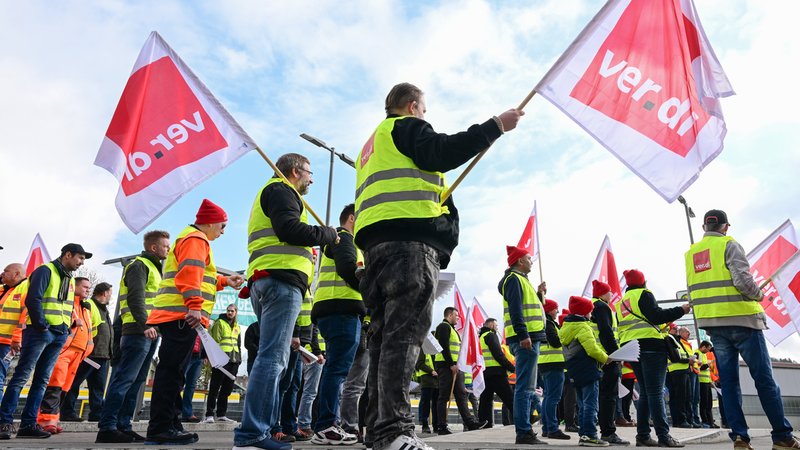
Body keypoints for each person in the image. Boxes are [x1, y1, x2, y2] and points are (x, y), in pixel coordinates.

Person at [356, 82, 523, 450]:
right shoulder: (406, 126)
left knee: (383, 341)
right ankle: (395, 431)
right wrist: (496, 125)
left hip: (376, 247)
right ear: (412, 106)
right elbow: (442, 151)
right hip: (409, 244)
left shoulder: (371, 146)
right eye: (424, 109)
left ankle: (378, 432)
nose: (425, 115)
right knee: (403, 337)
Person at [234, 153, 338, 450]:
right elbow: (289, 230)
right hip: (280, 281)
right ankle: (253, 434)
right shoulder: (281, 190)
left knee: (271, 358)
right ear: (295, 171)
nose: (312, 180)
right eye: (310, 173)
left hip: (268, 279)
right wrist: (326, 234)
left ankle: (260, 431)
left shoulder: (273, 192)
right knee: (272, 359)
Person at [685, 209, 800, 450]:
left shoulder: (691, 253)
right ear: (725, 226)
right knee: (765, 381)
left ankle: (739, 437)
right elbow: (743, 281)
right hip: (743, 321)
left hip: (714, 325)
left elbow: (693, 289)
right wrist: (759, 294)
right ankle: (782, 436)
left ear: (704, 227)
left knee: (728, 384)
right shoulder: (729, 244)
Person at [146, 199, 244, 445]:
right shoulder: (196, 239)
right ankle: (161, 428)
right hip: (183, 316)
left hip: (179, 316)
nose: (223, 232)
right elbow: (190, 275)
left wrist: (224, 281)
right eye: (222, 226)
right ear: (209, 223)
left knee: (173, 373)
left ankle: (170, 424)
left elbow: (201, 277)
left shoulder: (191, 238)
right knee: (172, 374)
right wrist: (194, 307)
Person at [0, 243, 89, 439]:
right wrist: (41, 325)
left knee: (41, 381)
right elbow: (33, 299)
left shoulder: (69, 278)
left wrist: (66, 328)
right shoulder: (45, 270)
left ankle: (28, 425)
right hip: (40, 332)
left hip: (58, 334)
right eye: (80, 258)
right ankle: (4, 422)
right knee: (21, 377)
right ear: (68, 255)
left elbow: (65, 306)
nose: (82, 262)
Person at [96, 230, 169, 444]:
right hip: (138, 331)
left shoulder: (154, 268)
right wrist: (146, 324)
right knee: (124, 379)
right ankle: (107, 427)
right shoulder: (139, 265)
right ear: (153, 247)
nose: (168, 249)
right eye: (165, 245)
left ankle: (123, 426)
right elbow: (136, 298)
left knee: (136, 381)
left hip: (150, 332)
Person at [311, 203, 366, 445]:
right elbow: (347, 269)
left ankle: (325, 424)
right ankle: (326, 426)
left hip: (335, 309)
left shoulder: (342, 239)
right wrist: (370, 289)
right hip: (341, 309)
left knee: (335, 369)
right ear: (352, 218)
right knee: (337, 370)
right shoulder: (344, 238)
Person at [615, 269, 687, 448]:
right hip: (651, 347)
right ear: (643, 282)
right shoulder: (644, 294)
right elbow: (657, 316)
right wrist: (681, 310)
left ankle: (643, 436)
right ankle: (663, 436)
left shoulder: (621, 302)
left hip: (632, 349)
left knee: (647, 393)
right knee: (655, 392)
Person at [38, 276, 100, 433]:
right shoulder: (67, 304)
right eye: (85, 287)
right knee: (55, 384)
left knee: (64, 387)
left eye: (89, 287)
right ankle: (45, 421)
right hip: (64, 351)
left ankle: (53, 419)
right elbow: (58, 322)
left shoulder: (85, 309)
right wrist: (72, 324)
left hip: (78, 354)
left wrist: (88, 349)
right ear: (75, 287)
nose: (88, 290)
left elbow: (90, 331)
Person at [499, 245, 547, 445]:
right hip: (526, 340)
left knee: (527, 387)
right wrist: (523, 334)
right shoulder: (514, 279)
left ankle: (525, 430)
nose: (531, 261)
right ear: (520, 261)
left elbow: (528, 308)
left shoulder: (520, 280)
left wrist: (539, 294)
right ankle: (524, 432)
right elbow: (516, 310)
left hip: (528, 338)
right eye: (528, 258)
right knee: (525, 388)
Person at [560, 296, 609, 447]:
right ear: (583, 312)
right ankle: (590, 435)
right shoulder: (583, 327)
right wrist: (606, 358)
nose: (591, 314)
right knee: (591, 405)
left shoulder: (566, 327)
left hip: (575, 370)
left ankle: (584, 435)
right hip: (588, 369)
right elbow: (592, 349)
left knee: (582, 404)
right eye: (589, 311)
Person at [62, 282, 114, 422]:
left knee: (98, 387)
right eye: (110, 293)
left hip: (102, 355)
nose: (110, 296)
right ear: (104, 293)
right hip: (89, 354)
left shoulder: (103, 310)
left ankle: (97, 414)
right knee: (75, 383)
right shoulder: (89, 305)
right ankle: (67, 411)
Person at [588, 280, 628, 446]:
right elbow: (606, 332)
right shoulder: (602, 307)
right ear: (603, 294)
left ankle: (600, 431)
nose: (612, 294)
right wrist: (616, 354)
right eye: (609, 292)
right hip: (608, 358)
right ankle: (608, 432)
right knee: (609, 397)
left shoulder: (592, 306)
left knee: (599, 396)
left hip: (598, 357)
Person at [433, 307, 484, 435]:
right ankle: (442, 426)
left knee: (461, 395)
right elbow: (444, 347)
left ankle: (470, 423)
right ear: (450, 315)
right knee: (444, 396)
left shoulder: (453, 330)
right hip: (446, 366)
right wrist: (451, 364)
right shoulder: (443, 327)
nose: (458, 317)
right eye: (456, 315)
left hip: (455, 367)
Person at [204, 303, 241, 423]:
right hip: (221, 360)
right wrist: (214, 359)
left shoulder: (237, 326)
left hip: (234, 361)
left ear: (236, 312)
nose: (229, 313)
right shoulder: (220, 323)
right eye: (228, 310)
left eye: (232, 311)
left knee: (227, 389)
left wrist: (239, 360)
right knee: (215, 387)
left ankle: (221, 414)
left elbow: (238, 344)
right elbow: (214, 342)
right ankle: (209, 414)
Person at [538, 300, 569, 440]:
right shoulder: (549, 324)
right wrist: (565, 334)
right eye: (556, 308)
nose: (557, 311)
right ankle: (552, 428)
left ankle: (547, 428)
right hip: (553, 364)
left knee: (548, 397)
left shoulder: (545, 323)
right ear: (549, 310)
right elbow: (556, 342)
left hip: (547, 363)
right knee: (553, 397)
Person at [478, 318, 515, 429]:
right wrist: (512, 368)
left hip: (485, 373)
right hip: (497, 373)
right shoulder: (490, 335)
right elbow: (498, 355)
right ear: (491, 325)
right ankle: (522, 419)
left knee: (485, 400)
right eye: (496, 325)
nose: (497, 328)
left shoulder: (480, 337)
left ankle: (485, 423)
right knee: (510, 398)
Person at [0, 263, 27, 392]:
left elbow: (24, 317)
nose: (2, 273)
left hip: (7, 343)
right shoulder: (5, 289)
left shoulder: (25, 289)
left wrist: (17, 339)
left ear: (16, 274)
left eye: (6, 271)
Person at [297, 325, 325, 437]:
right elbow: (314, 332)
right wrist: (317, 351)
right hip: (313, 355)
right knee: (310, 392)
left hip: (306, 352)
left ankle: (301, 424)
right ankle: (304, 424)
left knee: (297, 391)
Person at [414, 344, 438, 434]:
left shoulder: (437, 349)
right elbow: (419, 363)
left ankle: (436, 426)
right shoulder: (423, 348)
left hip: (437, 381)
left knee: (436, 404)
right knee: (425, 403)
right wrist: (431, 371)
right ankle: (425, 425)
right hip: (427, 380)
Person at [181, 335, 203, 422]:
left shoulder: (205, 327)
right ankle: (172, 412)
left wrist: (204, 355)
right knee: (178, 382)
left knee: (191, 386)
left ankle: (187, 413)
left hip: (198, 357)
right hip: (186, 354)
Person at [696, 341, 718, 428]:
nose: (708, 351)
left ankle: (710, 421)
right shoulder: (697, 353)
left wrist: (710, 381)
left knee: (709, 403)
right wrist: (707, 365)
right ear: (703, 347)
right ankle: (705, 421)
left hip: (707, 382)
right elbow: (698, 367)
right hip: (701, 382)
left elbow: (707, 371)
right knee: (704, 403)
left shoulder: (704, 355)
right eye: (707, 349)